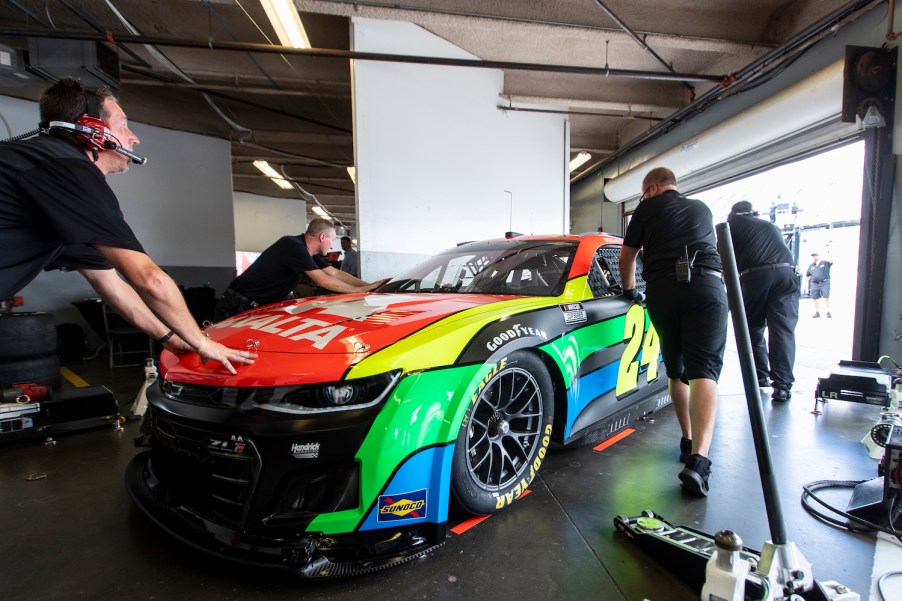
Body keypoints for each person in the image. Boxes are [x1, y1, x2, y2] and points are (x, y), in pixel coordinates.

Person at [0, 77, 254, 374]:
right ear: (92, 130)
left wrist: (171, 338)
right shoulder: (69, 171)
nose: (134, 138)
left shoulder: (48, 174)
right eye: (123, 125)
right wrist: (202, 342)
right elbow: (149, 279)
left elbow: (110, 284)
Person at [619, 167, 728, 497]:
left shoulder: (646, 208)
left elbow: (627, 256)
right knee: (704, 372)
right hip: (706, 286)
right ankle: (699, 460)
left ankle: (687, 439)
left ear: (651, 188)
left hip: (664, 290)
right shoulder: (702, 209)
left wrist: (628, 292)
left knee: (677, 371)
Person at [215, 219, 389, 320]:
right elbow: (323, 280)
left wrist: (370, 286)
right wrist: (361, 290)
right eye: (332, 239)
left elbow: (334, 272)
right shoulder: (292, 245)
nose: (331, 244)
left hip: (256, 306)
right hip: (237, 304)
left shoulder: (307, 252)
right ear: (322, 237)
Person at [727, 201, 799, 402]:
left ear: (731, 215)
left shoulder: (730, 228)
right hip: (787, 274)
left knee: (752, 329)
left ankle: (760, 376)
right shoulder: (769, 225)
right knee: (783, 331)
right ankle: (783, 386)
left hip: (756, 276)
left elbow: (721, 260)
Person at [804, 252, 833, 318]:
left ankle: (828, 312)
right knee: (815, 298)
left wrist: (824, 257)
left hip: (824, 282)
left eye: (816, 255)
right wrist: (805, 285)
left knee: (826, 297)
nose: (814, 257)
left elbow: (831, 260)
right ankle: (817, 312)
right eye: (813, 256)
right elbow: (807, 275)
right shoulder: (811, 266)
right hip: (814, 283)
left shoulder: (825, 263)